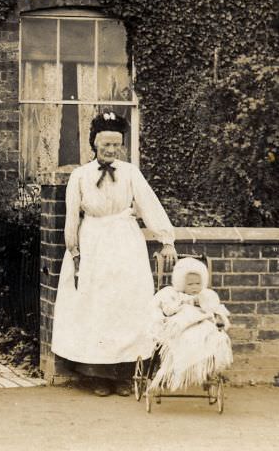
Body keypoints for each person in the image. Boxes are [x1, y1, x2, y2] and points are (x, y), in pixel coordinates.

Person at [51, 111, 177, 396]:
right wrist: (74, 251)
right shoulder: (80, 176)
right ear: (94, 143)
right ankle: (98, 376)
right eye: (105, 143)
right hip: (93, 243)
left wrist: (165, 239)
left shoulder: (131, 173)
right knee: (96, 306)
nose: (111, 149)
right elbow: (72, 217)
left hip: (124, 244)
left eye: (116, 144)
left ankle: (124, 374)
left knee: (126, 304)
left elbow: (149, 205)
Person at [149, 256, 232, 392]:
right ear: (181, 284)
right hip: (183, 324)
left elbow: (214, 310)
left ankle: (206, 372)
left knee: (211, 337)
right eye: (190, 284)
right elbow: (168, 310)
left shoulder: (206, 295)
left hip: (202, 323)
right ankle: (170, 371)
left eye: (197, 284)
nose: (194, 287)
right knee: (180, 339)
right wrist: (181, 304)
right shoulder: (176, 296)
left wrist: (214, 315)